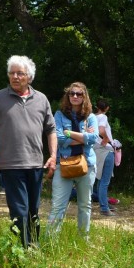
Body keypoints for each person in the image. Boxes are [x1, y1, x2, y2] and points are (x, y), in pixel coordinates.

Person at [0, 56, 56, 247]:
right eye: (11, 73)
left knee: (33, 210)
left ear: (29, 77)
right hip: (10, 165)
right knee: (19, 210)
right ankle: (21, 251)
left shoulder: (41, 99)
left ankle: (33, 246)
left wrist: (53, 156)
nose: (15, 77)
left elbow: (51, 130)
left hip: (36, 164)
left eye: (19, 73)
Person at [47, 83, 99, 236]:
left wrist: (69, 133)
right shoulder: (59, 115)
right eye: (72, 93)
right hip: (63, 163)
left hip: (86, 164)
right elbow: (58, 137)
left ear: (85, 97)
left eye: (79, 94)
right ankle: (51, 241)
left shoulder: (91, 117)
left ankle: (84, 239)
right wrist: (83, 137)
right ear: (68, 96)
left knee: (85, 205)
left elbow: (93, 138)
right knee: (58, 205)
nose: (75, 96)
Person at [92, 100, 118, 217]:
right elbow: (102, 130)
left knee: (99, 179)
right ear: (106, 108)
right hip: (106, 150)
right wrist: (107, 139)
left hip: (96, 150)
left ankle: (105, 204)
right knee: (104, 181)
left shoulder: (91, 116)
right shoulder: (103, 117)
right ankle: (104, 208)